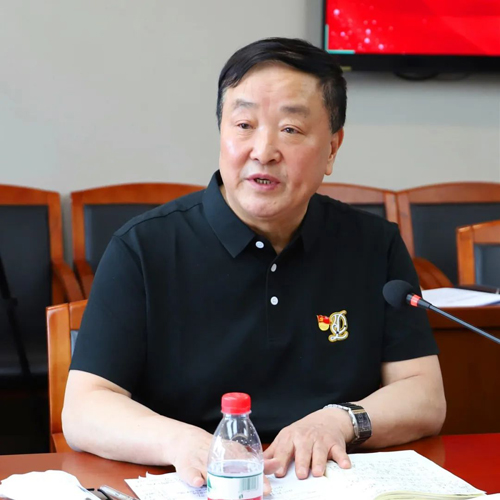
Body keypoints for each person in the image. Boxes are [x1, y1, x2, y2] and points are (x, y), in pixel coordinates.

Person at [62, 37, 446, 493]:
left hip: (334, 482)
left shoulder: (374, 244)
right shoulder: (144, 247)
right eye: (244, 124)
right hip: (194, 484)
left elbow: (424, 395)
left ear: (332, 148)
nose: (264, 151)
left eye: (291, 129)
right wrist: (181, 442)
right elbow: (85, 407)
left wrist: (337, 421)